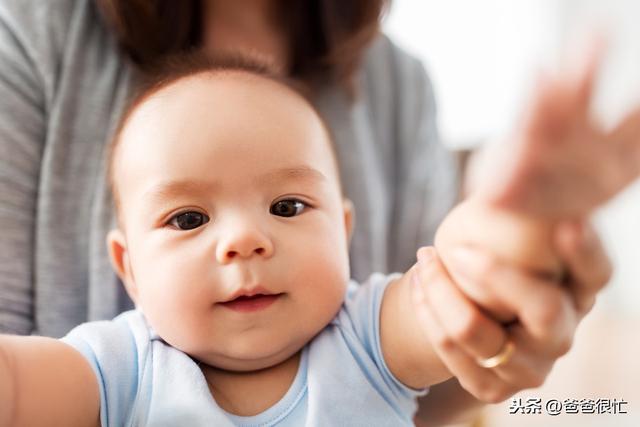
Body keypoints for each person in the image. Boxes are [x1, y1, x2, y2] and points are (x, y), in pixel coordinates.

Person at [0, 0, 624, 425]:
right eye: (189, 219)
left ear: (344, 231)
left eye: (288, 206)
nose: (245, 239)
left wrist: (506, 227)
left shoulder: (365, 343)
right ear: (127, 266)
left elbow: (450, 286)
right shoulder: (121, 368)